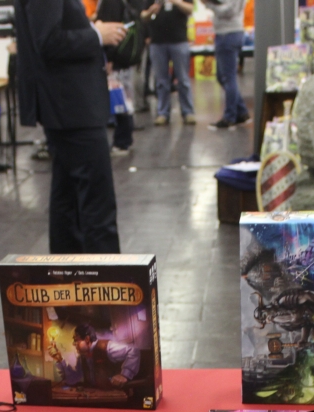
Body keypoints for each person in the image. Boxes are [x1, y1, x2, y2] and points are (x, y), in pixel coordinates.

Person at [14, 0, 126, 253]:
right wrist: (97, 35)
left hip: (69, 106)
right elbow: (49, 41)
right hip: (72, 107)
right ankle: (106, 276)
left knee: (67, 203)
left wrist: (90, 28)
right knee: (96, 206)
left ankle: (67, 272)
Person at [95, 0, 143, 155]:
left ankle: (122, 141)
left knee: (120, 100)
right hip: (123, 57)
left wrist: (109, 57)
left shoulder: (111, 2)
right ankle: (123, 140)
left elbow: (112, 28)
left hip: (116, 59)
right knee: (123, 98)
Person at [144, 0, 194, 125]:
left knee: (183, 79)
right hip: (157, 41)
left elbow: (190, 9)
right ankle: (163, 113)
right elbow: (143, 15)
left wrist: (177, 2)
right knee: (161, 81)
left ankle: (188, 112)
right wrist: (150, 12)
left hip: (179, 40)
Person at [204, 0, 248, 128]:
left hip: (228, 34)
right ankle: (241, 111)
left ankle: (230, 117)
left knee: (228, 78)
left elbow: (228, 10)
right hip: (226, 33)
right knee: (222, 76)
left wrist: (209, 4)